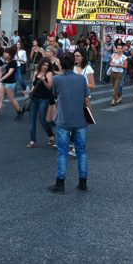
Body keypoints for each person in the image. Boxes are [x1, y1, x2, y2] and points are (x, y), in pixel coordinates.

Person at [47, 53, 92, 194]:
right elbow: (86, 99)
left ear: (61, 63)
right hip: (80, 119)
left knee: (63, 152)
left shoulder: (57, 79)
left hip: (63, 119)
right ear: (73, 64)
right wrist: (89, 115)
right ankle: (83, 183)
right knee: (82, 151)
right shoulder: (81, 79)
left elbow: (56, 94)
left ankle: (60, 184)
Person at [26, 57, 55, 148]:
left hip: (44, 99)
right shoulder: (36, 73)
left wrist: (44, 81)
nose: (45, 67)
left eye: (47, 65)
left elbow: (49, 87)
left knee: (42, 120)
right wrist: (30, 91)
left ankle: (51, 134)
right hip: (34, 98)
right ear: (40, 64)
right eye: (44, 65)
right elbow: (34, 85)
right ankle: (33, 140)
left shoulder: (49, 73)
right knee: (32, 120)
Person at [0, 47, 24, 121]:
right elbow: (1, 72)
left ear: (10, 54)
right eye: (5, 52)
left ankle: (19, 111)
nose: (5, 53)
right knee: (0, 98)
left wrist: (2, 79)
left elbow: (10, 72)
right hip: (2, 82)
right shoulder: (5, 62)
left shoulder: (13, 62)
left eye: (7, 53)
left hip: (9, 82)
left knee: (11, 99)